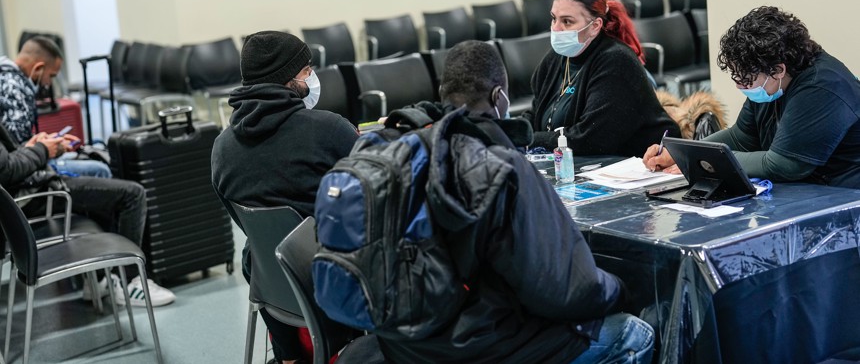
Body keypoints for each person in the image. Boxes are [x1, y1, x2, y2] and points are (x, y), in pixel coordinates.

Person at [375, 40, 654, 363]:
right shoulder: (502, 168)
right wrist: (622, 289)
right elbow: (565, 291)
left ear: (442, 92)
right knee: (634, 333)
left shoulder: (402, 153)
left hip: (404, 344)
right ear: (500, 97)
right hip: (476, 348)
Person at [211, 31, 359, 364]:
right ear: (288, 79)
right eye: (307, 70)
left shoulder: (221, 148)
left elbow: (246, 223)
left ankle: (288, 357)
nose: (312, 77)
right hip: (334, 290)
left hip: (275, 289)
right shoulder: (330, 130)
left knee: (256, 249)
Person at [644, 6, 860, 188]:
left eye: (747, 79)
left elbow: (783, 165)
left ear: (778, 70)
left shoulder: (822, 87)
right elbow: (741, 138)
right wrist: (680, 152)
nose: (740, 86)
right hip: (811, 190)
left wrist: (707, 160)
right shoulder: (772, 85)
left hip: (844, 196)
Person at [0, 121, 175, 307]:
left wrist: (30, 147)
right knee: (133, 195)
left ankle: (99, 280)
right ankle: (129, 282)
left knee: (100, 186)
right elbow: (6, 171)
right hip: (32, 196)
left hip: (27, 191)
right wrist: (42, 149)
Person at [522, 0, 680, 156]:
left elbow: (589, 140)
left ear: (595, 26)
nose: (556, 28)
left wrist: (528, 139)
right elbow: (536, 113)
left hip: (640, 166)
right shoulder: (556, 58)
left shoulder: (616, 61)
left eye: (567, 21)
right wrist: (511, 132)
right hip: (581, 166)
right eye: (554, 18)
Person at [0, 36, 112, 178]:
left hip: (25, 162)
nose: (48, 83)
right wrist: (49, 148)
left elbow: (16, 143)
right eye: (51, 76)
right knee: (100, 169)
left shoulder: (5, 77)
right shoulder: (15, 90)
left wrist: (46, 141)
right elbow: (15, 155)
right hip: (25, 172)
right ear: (38, 69)